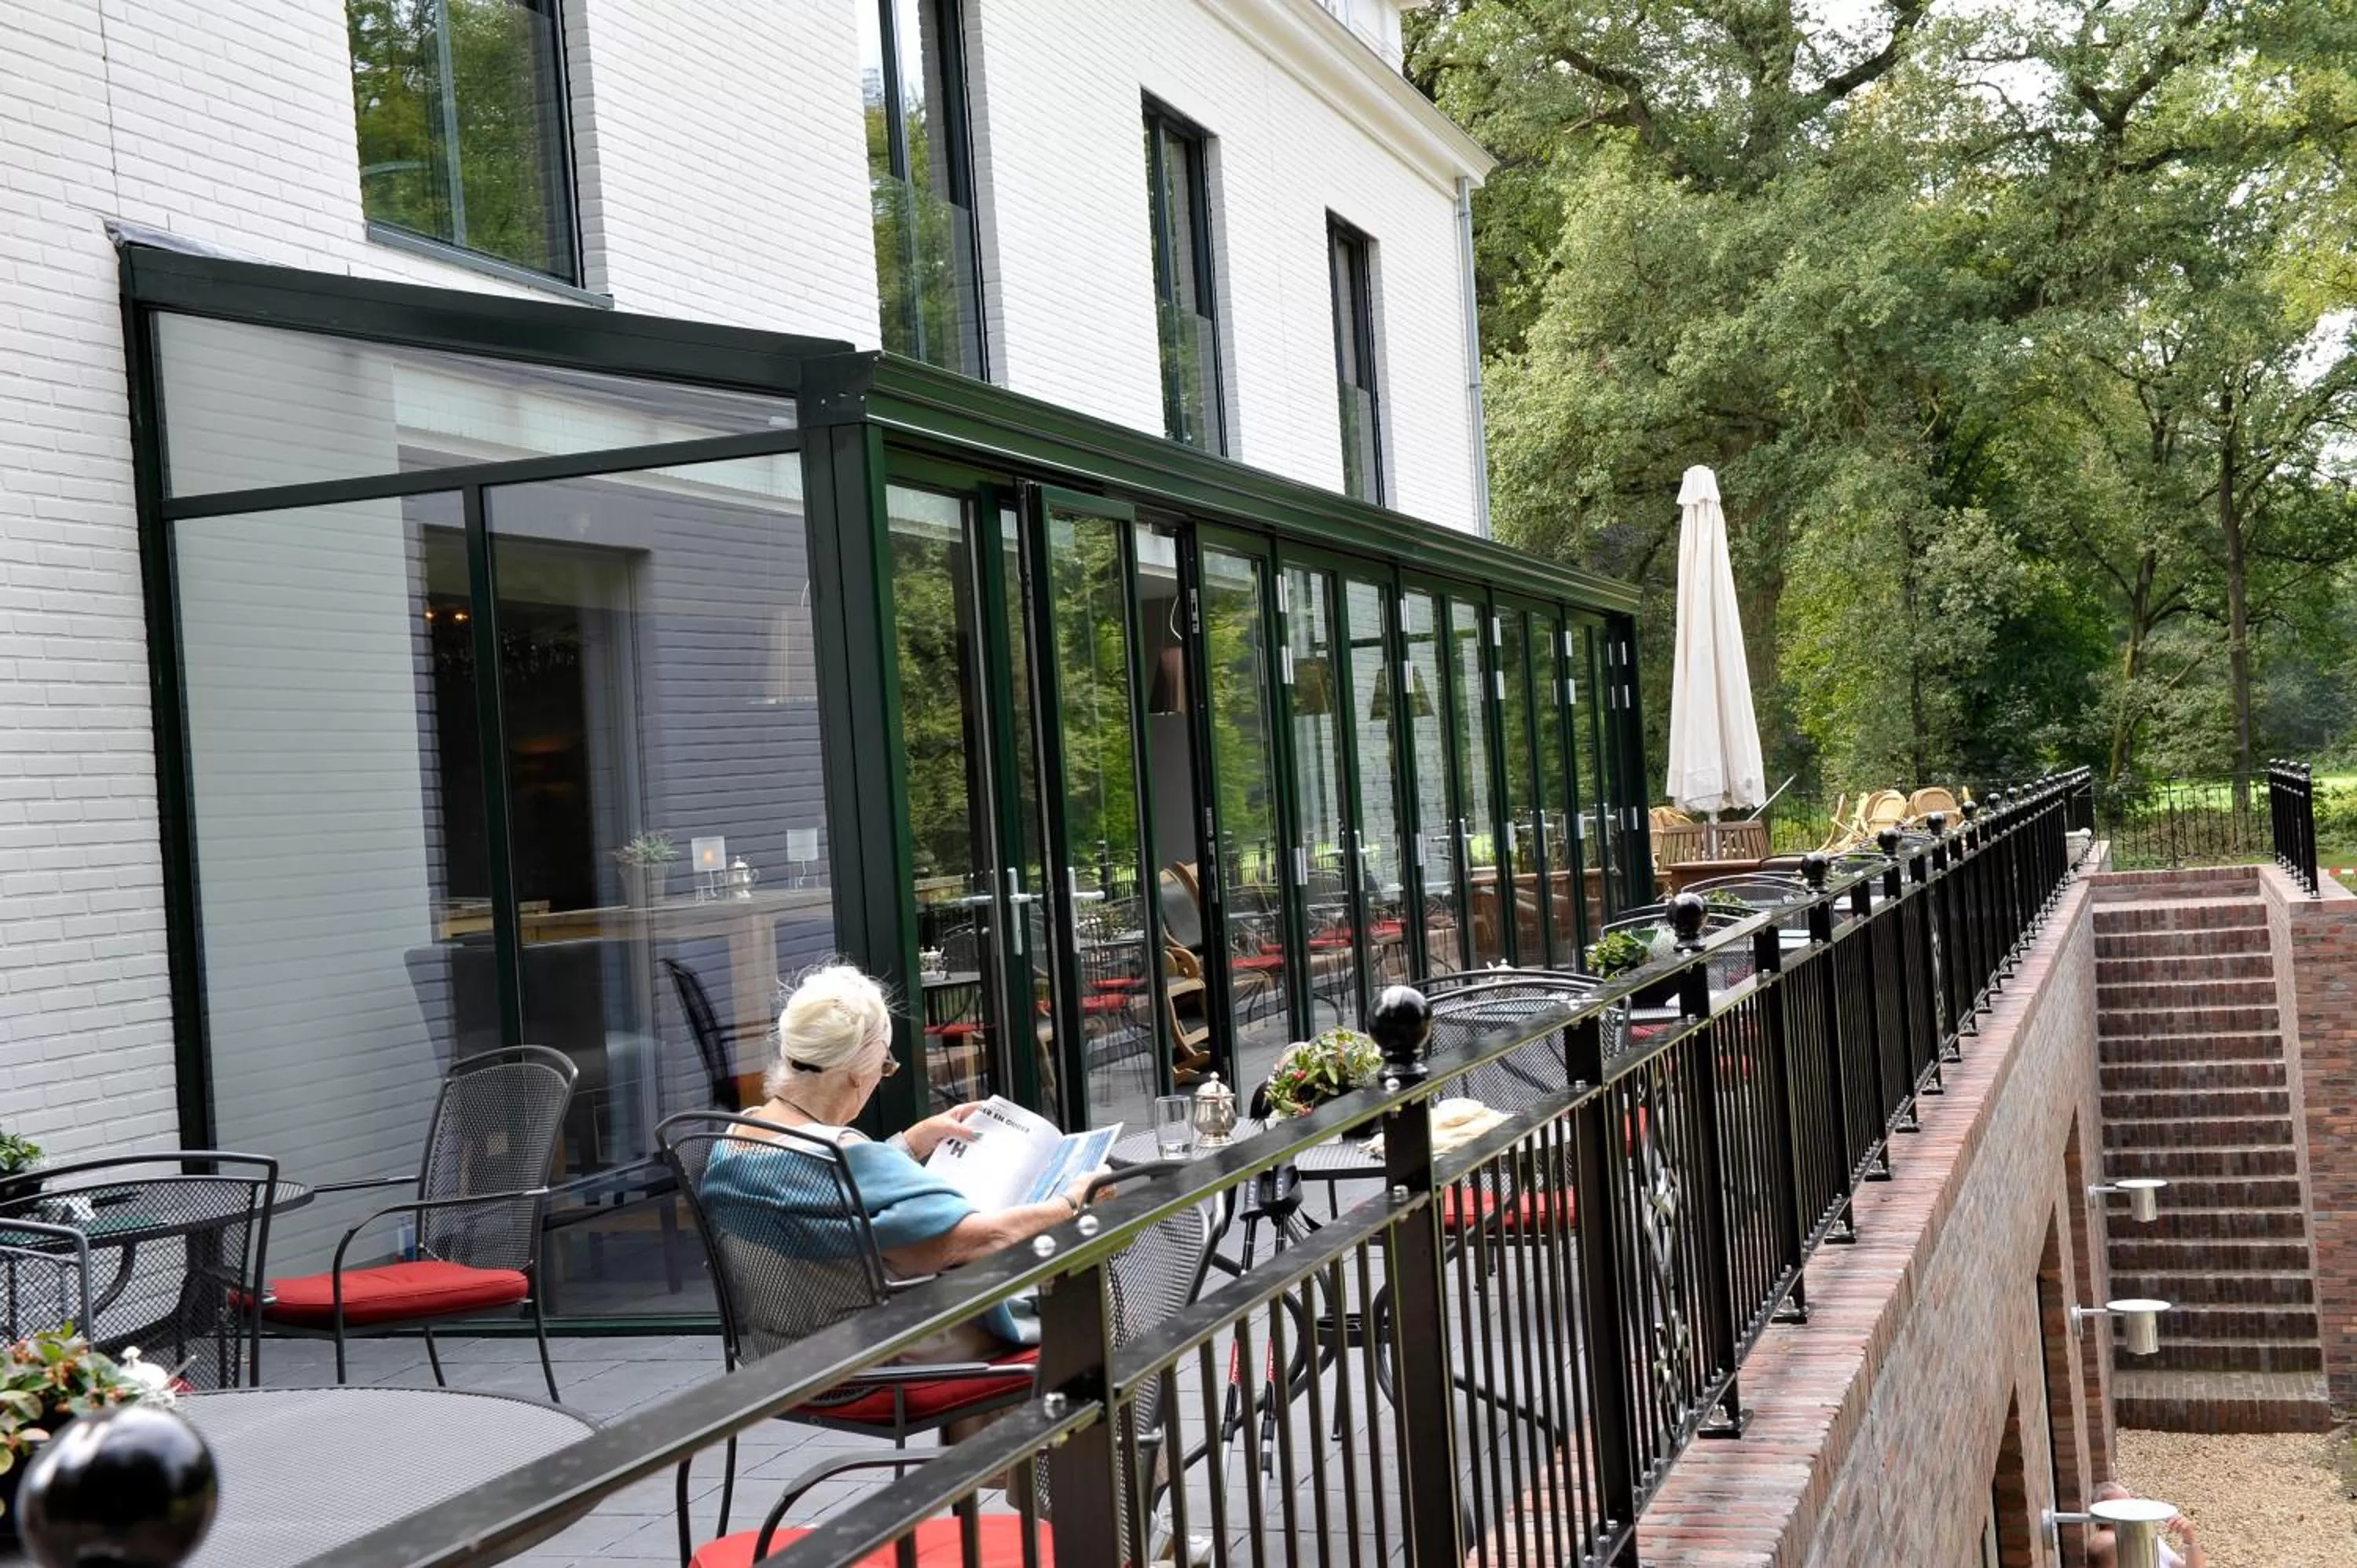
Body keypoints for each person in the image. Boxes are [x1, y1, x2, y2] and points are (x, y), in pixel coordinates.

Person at [699, 964, 1102, 1357]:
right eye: (884, 1065)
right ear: (858, 1072)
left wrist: (911, 1142)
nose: (881, 1077)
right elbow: (977, 1241)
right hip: (869, 1353)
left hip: (780, 1352)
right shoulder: (845, 1152)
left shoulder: (736, 1140)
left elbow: (819, 1190)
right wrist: (1071, 1203)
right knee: (1079, 1306)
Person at [2084, 1480, 2205, 1568]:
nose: (2130, 1510)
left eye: (2130, 1502)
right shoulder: (2104, 1541)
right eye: (2120, 1507)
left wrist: (2190, 1540)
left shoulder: (2148, 1539)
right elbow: (2102, 1546)